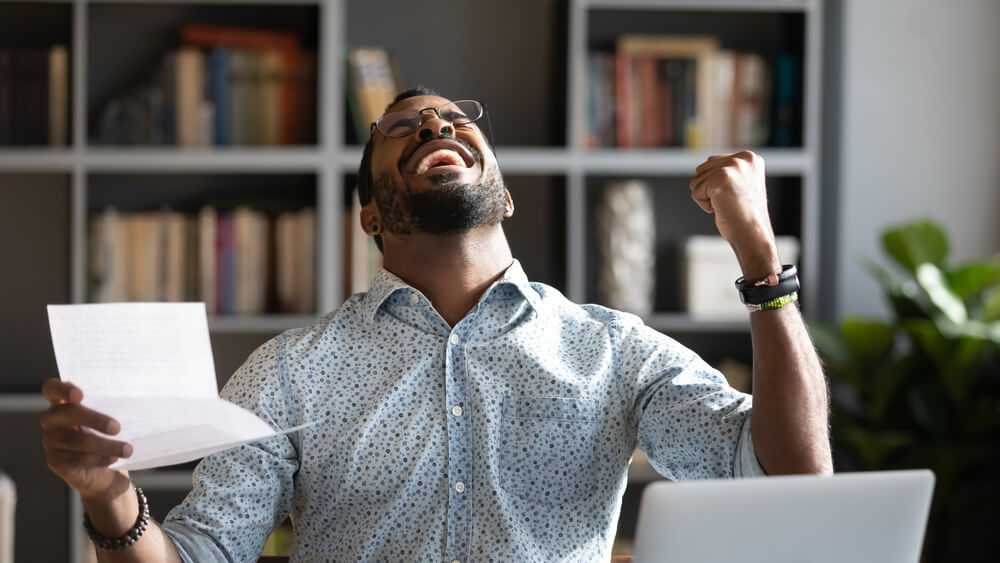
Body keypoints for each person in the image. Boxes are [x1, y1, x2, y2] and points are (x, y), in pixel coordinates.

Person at [41, 87, 832, 562]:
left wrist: (765, 270)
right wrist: (111, 496)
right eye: (404, 128)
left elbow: (791, 482)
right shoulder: (288, 370)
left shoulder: (614, 350)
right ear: (370, 216)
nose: (437, 127)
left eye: (455, 120)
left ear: (506, 195)